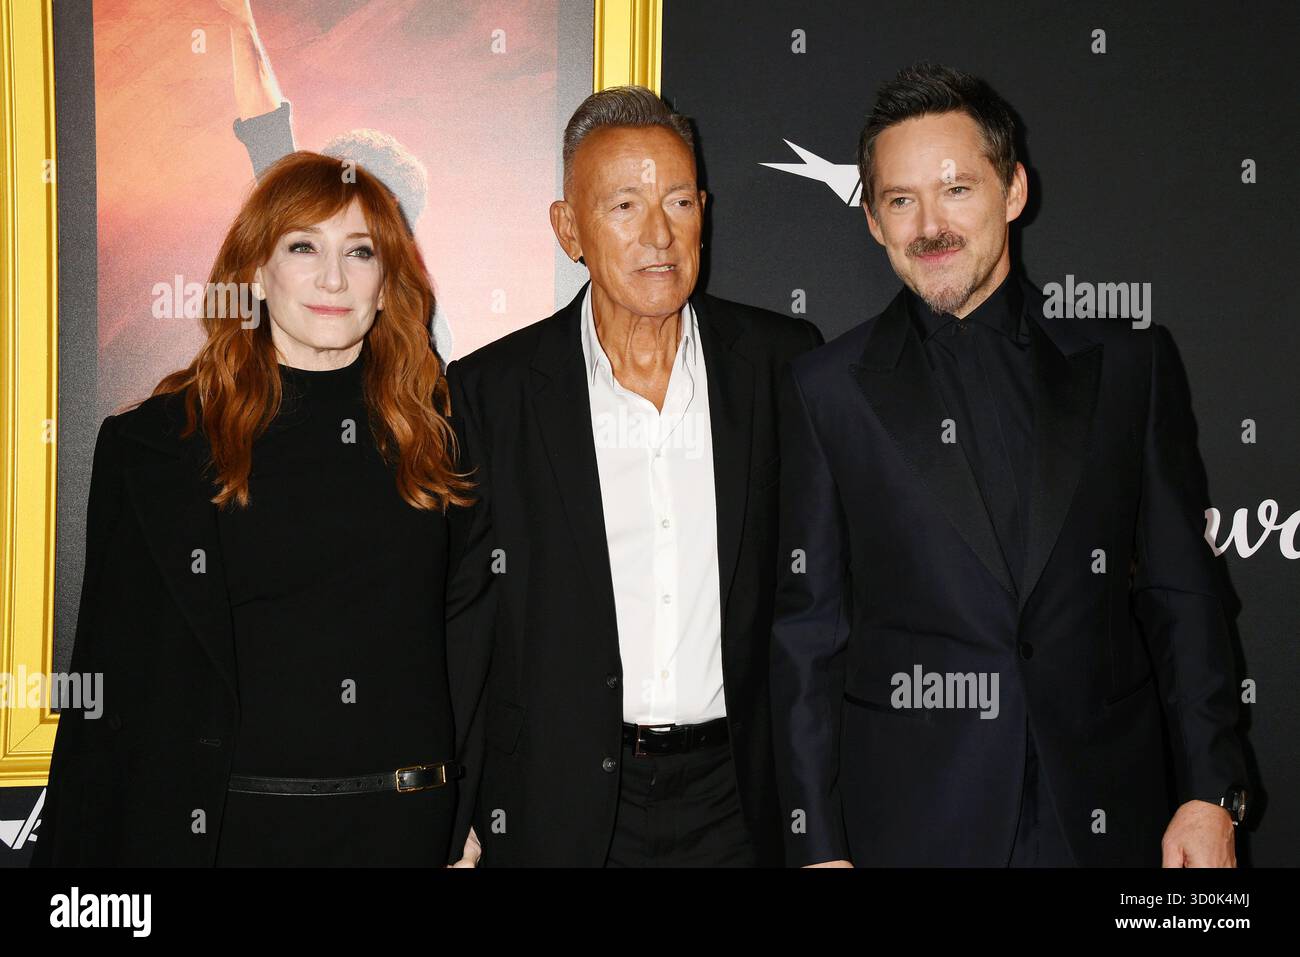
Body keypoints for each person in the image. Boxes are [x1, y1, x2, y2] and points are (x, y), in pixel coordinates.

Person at [771, 62, 1249, 868]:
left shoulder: (1128, 365)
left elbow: (1182, 594)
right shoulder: (828, 391)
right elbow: (808, 635)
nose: (930, 224)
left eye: (956, 188)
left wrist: (1210, 792)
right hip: (913, 826)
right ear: (874, 222)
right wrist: (817, 846)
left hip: (1104, 817)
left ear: (1013, 191)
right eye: (900, 200)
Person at [32, 151, 492, 867]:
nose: (334, 278)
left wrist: (466, 813)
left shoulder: (448, 436)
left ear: (386, 285)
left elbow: (491, 647)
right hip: (227, 837)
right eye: (303, 246)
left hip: (405, 832)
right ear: (255, 273)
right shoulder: (157, 445)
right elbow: (111, 684)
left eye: (361, 252)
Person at [445, 86, 823, 866]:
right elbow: (468, 621)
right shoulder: (492, 391)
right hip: (559, 803)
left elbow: (817, 600)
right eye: (624, 205)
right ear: (568, 229)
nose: (659, 235)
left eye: (679, 201)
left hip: (740, 800)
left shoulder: (783, 364)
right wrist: (459, 811)